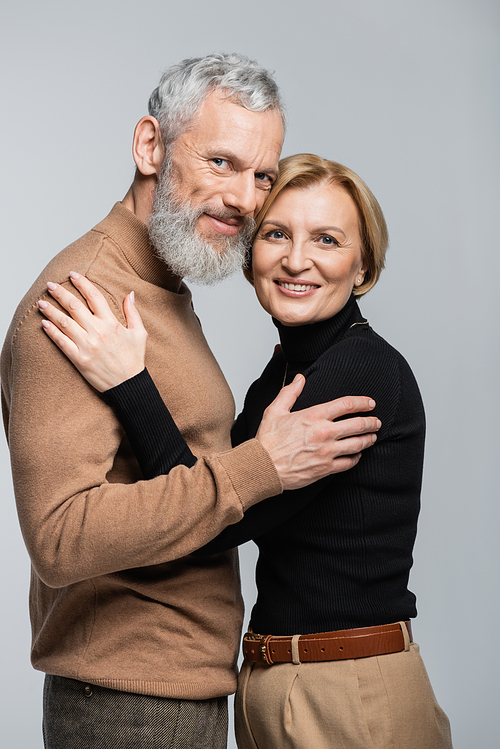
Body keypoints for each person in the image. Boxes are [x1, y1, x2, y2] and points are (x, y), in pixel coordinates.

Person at [0, 56, 381, 749]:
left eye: (262, 175)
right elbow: (59, 535)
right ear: (151, 146)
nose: (244, 198)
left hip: (183, 691)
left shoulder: (163, 288)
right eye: (221, 162)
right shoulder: (80, 300)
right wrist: (260, 465)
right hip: (128, 701)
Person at [39, 153, 453, 748]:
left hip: (349, 693)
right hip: (277, 680)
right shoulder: (285, 374)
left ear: (363, 267)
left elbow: (215, 518)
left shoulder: (359, 374)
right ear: (249, 251)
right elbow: (216, 487)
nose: (295, 260)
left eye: (328, 240)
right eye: (277, 234)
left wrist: (128, 382)